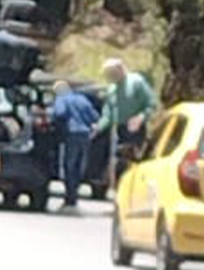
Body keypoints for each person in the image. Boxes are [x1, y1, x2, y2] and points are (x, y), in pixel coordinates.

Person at [95, 57, 157, 179]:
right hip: (120, 130)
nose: (108, 77)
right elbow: (108, 114)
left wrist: (141, 117)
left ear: (119, 70)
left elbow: (151, 104)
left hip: (136, 130)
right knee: (119, 163)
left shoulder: (136, 82)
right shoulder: (112, 89)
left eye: (110, 73)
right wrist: (98, 127)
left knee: (134, 163)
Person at [51, 80, 100, 210]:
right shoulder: (82, 100)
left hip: (71, 134)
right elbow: (95, 116)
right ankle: (74, 194)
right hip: (85, 135)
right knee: (79, 165)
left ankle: (70, 197)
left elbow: (59, 113)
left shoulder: (62, 98)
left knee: (69, 165)